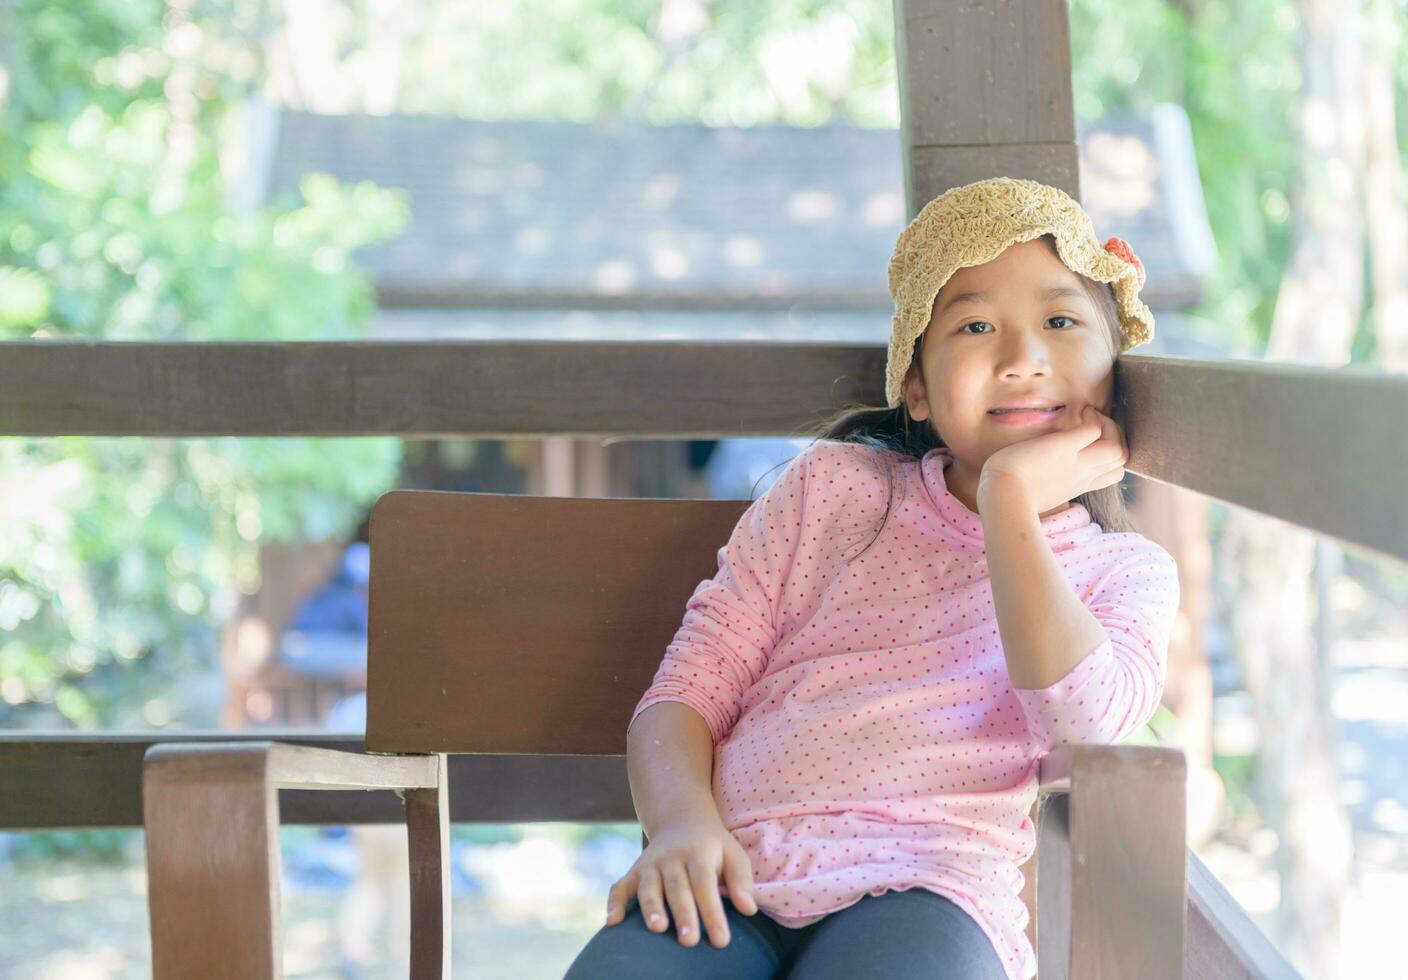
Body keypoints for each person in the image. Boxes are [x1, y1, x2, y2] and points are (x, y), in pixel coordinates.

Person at [563, 177, 1180, 980]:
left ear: (1112, 368)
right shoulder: (832, 492)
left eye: (1061, 321)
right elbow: (683, 693)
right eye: (975, 325)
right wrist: (680, 828)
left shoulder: (1124, 572)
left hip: (931, 893)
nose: (1023, 358)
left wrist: (1010, 501)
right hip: (730, 870)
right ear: (915, 387)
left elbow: (1083, 725)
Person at [276, 542, 370, 684]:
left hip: (293, 648)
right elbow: (366, 634)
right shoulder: (350, 598)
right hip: (305, 649)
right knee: (368, 652)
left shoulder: (327, 589)